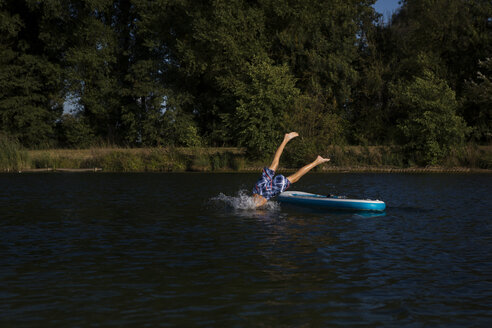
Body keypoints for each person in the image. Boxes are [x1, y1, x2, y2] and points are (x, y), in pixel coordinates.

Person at [252, 132, 330, 207]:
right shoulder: (251, 201)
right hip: (258, 187)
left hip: (267, 192)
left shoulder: (256, 206)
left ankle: (317, 161)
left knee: (295, 177)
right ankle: (286, 139)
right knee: (275, 163)